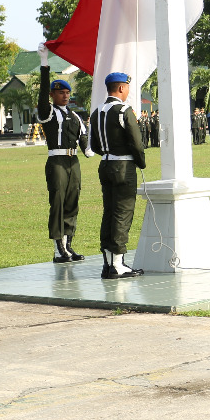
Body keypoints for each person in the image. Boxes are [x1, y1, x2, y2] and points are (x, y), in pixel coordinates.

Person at [36, 44, 93, 263]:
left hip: (73, 162)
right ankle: (58, 247)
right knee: (58, 202)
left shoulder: (75, 116)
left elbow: (84, 138)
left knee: (72, 201)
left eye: (68, 92)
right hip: (57, 161)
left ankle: (68, 245)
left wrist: (88, 148)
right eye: (61, 92)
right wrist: (44, 64)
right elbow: (42, 94)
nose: (65, 96)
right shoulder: (48, 112)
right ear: (52, 94)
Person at [89, 71, 147, 279]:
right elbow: (136, 142)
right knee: (122, 213)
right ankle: (118, 264)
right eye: (128, 87)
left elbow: (94, 144)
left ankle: (107, 262)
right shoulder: (123, 111)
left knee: (109, 212)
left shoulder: (97, 112)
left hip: (105, 164)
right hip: (123, 166)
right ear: (121, 88)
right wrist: (141, 162)